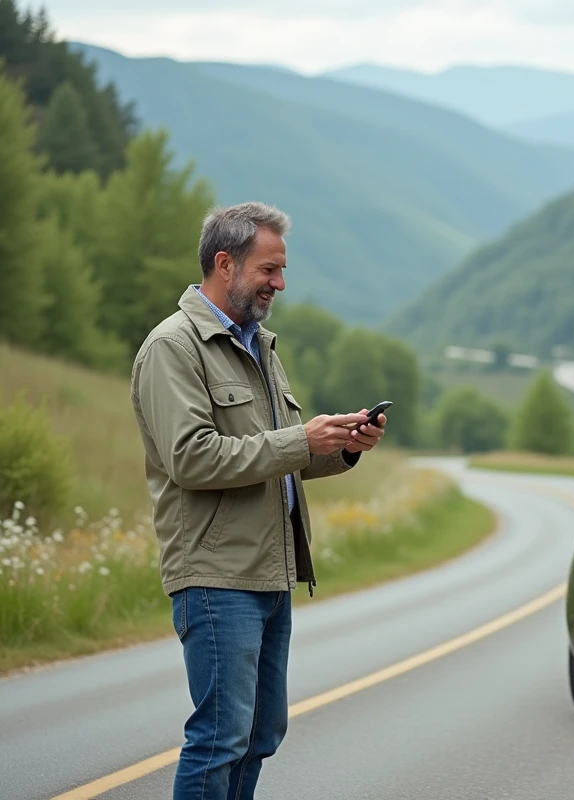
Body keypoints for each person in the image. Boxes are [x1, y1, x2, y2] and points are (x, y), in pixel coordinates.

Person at [130, 201, 387, 799]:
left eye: (281, 270)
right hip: (218, 577)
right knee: (219, 738)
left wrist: (343, 446)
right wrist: (300, 438)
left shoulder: (258, 345)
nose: (280, 283)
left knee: (259, 734)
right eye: (269, 270)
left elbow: (279, 458)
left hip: (270, 574)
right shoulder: (173, 347)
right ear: (226, 263)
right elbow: (192, 458)